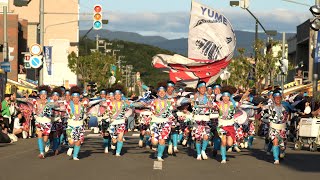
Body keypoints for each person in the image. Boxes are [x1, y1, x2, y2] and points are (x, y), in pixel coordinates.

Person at [261, 90, 289, 165]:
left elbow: (292, 110)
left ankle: (282, 151)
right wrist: (267, 121)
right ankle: (276, 159)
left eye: (279, 97)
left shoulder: (285, 107)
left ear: (281, 98)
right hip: (273, 127)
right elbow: (262, 117)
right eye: (276, 98)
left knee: (282, 146)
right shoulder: (268, 107)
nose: (278, 99)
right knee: (275, 141)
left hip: (282, 128)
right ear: (273, 98)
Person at [66, 86, 86, 160]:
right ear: (72, 98)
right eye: (74, 97)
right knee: (71, 142)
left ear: (79, 98)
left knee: (78, 142)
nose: (75, 99)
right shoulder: (68, 105)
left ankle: (75, 156)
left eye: (77, 97)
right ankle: (71, 147)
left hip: (79, 125)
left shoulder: (83, 106)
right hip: (70, 125)